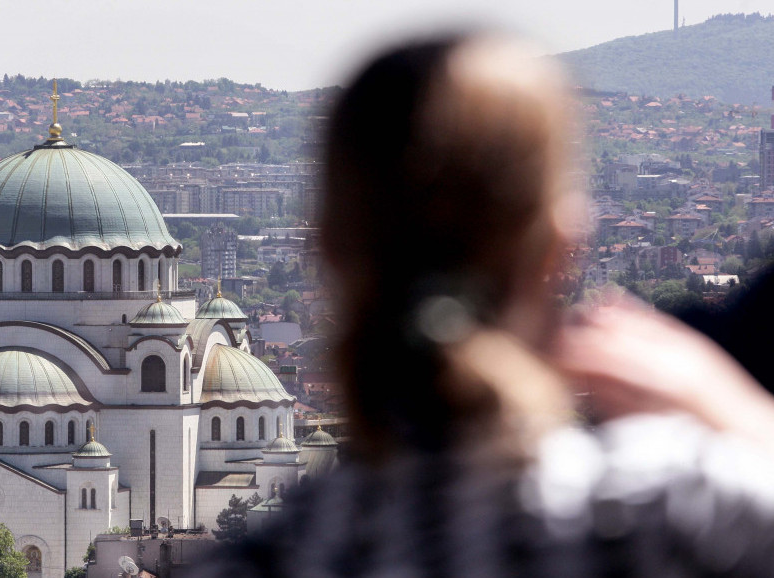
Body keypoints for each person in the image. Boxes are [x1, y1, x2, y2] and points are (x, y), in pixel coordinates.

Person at [194, 32, 774, 577]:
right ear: (560, 245)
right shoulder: (677, 516)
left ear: (326, 248)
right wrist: (732, 410)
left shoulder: (271, 558)